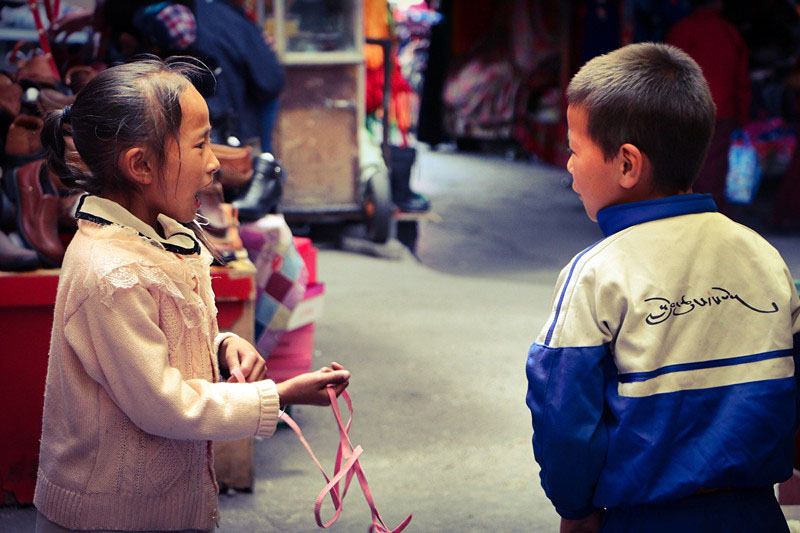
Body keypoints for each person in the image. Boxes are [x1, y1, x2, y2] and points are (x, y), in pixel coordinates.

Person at [33, 57, 350, 532]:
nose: (216, 161)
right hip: (108, 518)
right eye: (200, 144)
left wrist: (222, 346)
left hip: (159, 507)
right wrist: (279, 396)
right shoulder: (112, 274)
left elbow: (164, 339)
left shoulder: (157, 238)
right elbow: (165, 404)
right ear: (141, 165)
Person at [525, 42, 800, 533]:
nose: (568, 165)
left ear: (627, 164)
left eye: (574, 149)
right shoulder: (764, 256)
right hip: (757, 515)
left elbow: (563, 416)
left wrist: (575, 508)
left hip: (643, 520)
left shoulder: (596, 272)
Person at [667, 0, 751, 214]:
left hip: (685, 110)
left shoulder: (682, 30)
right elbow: (741, 81)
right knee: (714, 170)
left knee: (681, 164)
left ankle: (680, 216)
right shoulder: (730, 33)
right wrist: (742, 118)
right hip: (721, 111)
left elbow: (666, 75)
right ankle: (711, 217)